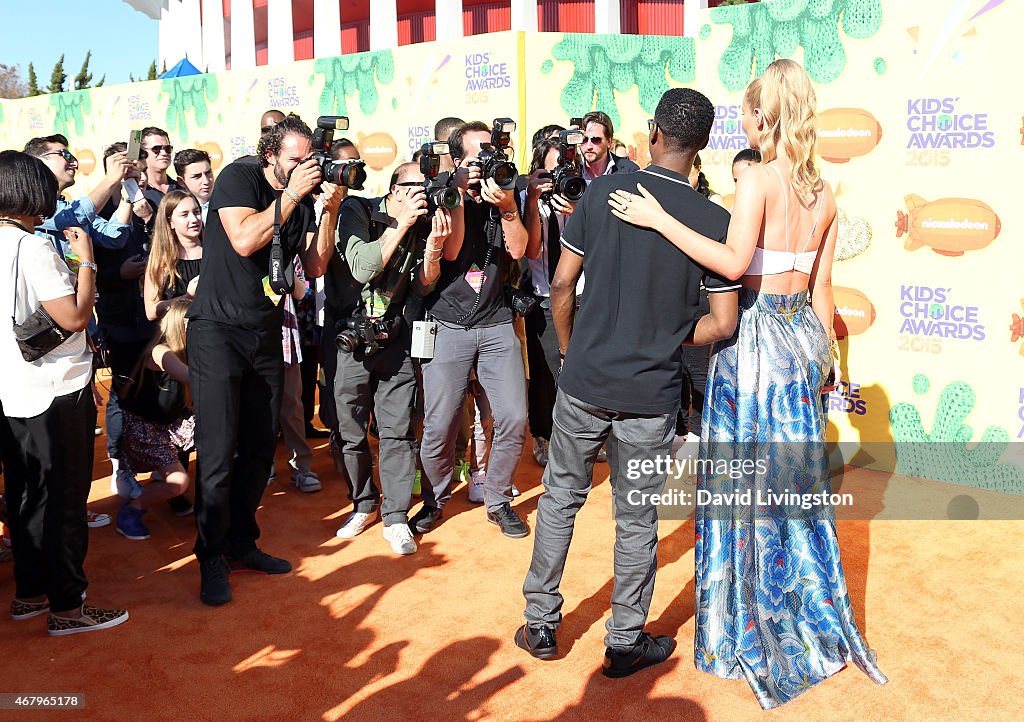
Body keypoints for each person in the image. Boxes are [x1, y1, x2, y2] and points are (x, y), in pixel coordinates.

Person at [608, 58, 887, 708]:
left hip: (756, 341)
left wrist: (660, 220)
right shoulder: (824, 191)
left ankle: (750, 629)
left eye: (748, 109)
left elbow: (733, 264)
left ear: (765, 115)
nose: (743, 119)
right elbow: (822, 291)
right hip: (801, 345)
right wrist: (824, 367)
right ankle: (811, 622)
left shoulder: (759, 179)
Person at [515, 88, 741, 677]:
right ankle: (623, 642)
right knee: (637, 517)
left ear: (653, 133)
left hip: (584, 382)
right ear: (704, 145)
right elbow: (721, 323)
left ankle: (541, 625)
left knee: (560, 498)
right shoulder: (716, 221)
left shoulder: (601, 194)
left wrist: (569, 354)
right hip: (651, 395)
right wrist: (667, 336)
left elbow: (562, 286)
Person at [185, 115, 339, 606]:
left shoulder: (305, 195)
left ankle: (241, 543)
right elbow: (245, 239)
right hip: (216, 331)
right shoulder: (240, 175)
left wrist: (329, 210)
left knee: (257, 446)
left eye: (308, 159)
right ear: (271, 154)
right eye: (296, 159)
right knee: (218, 449)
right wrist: (293, 193)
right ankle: (209, 555)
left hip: (266, 331)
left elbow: (313, 266)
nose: (306, 167)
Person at [0, 150, 129, 635]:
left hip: (10, 389)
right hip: (55, 388)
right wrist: (88, 261)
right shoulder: (31, 247)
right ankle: (69, 608)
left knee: (26, 492)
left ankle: (30, 594)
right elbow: (73, 317)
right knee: (66, 499)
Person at [326, 162, 458, 554]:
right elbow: (364, 267)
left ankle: (396, 516)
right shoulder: (359, 211)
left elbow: (422, 284)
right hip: (351, 338)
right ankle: (363, 503)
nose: (424, 194)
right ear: (395, 190)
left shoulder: (425, 221)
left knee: (397, 431)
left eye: (427, 186)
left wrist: (432, 248)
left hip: (395, 336)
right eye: (416, 187)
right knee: (350, 430)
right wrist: (399, 224)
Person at [412, 121, 532, 539]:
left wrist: (507, 206)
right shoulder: (444, 196)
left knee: (515, 417)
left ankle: (498, 500)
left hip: (497, 324)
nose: (489, 161)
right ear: (459, 160)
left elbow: (518, 249)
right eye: (479, 154)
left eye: (492, 153)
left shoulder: (505, 194)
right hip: (447, 324)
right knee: (440, 421)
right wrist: (461, 193)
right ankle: (435, 499)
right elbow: (454, 250)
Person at [95, 143, 158, 502]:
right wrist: (118, 272)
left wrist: (149, 218)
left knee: (153, 390)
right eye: (118, 168)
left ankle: (155, 464)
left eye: (130, 167)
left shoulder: (152, 204)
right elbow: (84, 272)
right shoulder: (99, 212)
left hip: (153, 317)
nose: (125, 174)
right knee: (122, 394)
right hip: (120, 320)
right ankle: (120, 466)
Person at [114, 299, 195, 540]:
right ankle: (132, 510)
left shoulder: (187, 351)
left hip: (169, 425)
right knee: (178, 482)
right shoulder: (162, 351)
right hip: (145, 431)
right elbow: (187, 375)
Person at [521, 138, 579, 467]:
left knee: (577, 371)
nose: (558, 176)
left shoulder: (581, 192)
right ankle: (543, 434)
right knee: (546, 375)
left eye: (564, 168)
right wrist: (532, 200)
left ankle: (577, 440)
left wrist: (578, 207)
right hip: (544, 296)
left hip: (581, 292)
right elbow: (530, 251)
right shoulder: (530, 199)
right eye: (551, 169)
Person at [24, 134, 133, 252]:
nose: (75, 164)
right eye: (65, 155)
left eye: (74, 158)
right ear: (39, 161)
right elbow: (77, 216)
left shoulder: (70, 207)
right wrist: (111, 178)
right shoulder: (29, 207)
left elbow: (113, 237)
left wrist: (128, 193)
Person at [144, 190, 203, 321]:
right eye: (184, 215)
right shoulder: (162, 260)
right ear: (170, 222)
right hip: (176, 333)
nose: (194, 219)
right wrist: (187, 297)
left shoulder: (212, 252)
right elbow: (151, 311)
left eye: (196, 212)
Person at [578, 111, 640, 182]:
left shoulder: (629, 171)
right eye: (584, 139)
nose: (589, 146)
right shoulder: (569, 171)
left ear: (609, 141)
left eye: (596, 140)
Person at [140, 127, 179, 206]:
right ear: (142, 153)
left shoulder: (181, 189)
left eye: (167, 148)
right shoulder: (136, 191)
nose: (164, 153)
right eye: (156, 149)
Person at [173, 149, 215, 224]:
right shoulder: (175, 210)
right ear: (181, 181)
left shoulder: (229, 202)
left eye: (208, 173)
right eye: (197, 176)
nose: (206, 181)